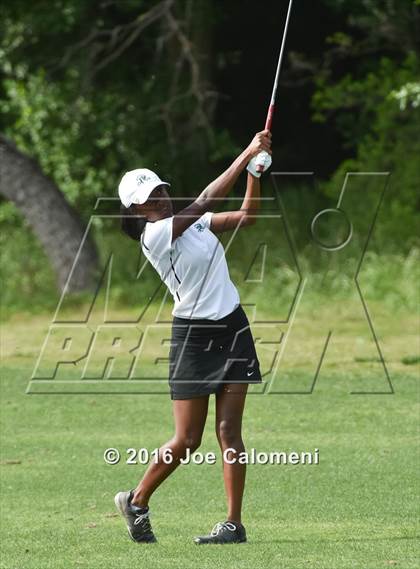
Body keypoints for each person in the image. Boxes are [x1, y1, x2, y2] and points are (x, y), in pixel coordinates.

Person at [114, 130, 272, 544]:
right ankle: (137, 500)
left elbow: (246, 217)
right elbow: (204, 200)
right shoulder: (155, 237)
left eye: (161, 191)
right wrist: (246, 151)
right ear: (136, 209)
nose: (160, 199)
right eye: (150, 198)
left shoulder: (194, 223)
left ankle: (234, 524)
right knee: (187, 439)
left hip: (233, 328)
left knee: (230, 433)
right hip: (194, 339)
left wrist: (256, 171)